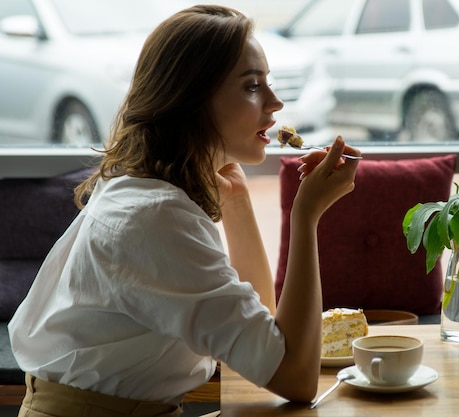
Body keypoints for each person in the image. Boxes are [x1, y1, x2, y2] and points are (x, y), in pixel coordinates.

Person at [8, 5, 360, 417]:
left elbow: (258, 340)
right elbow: (294, 376)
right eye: (252, 86)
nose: (275, 102)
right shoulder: (154, 217)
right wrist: (306, 217)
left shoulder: (151, 191)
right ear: (190, 101)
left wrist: (238, 203)